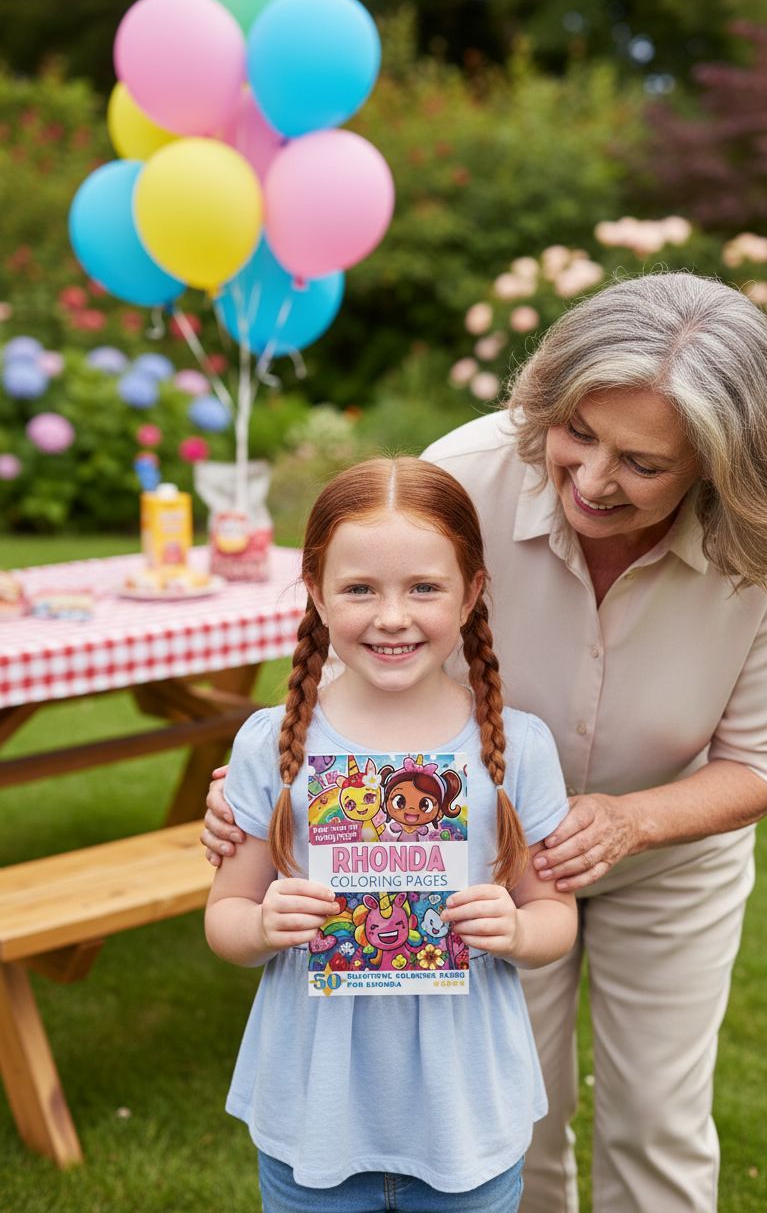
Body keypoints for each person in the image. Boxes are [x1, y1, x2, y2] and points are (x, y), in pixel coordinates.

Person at [203, 272, 767, 1213]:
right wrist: (263, 786)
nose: (593, 479)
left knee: (657, 1118)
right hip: (469, 861)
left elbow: (765, 762)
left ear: (716, 468)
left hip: (667, 859)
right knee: (504, 1113)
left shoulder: (766, 551)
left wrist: (627, 822)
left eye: (644, 464)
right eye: (580, 433)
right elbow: (365, 645)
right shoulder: (469, 474)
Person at [204, 456, 578, 1213]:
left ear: (472, 593)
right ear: (315, 590)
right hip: (314, 1107)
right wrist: (264, 924)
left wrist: (514, 927)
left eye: (424, 588)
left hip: (463, 1110)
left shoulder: (520, 746)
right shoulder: (270, 742)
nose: (392, 616)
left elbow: (555, 918)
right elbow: (225, 918)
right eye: (359, 589)